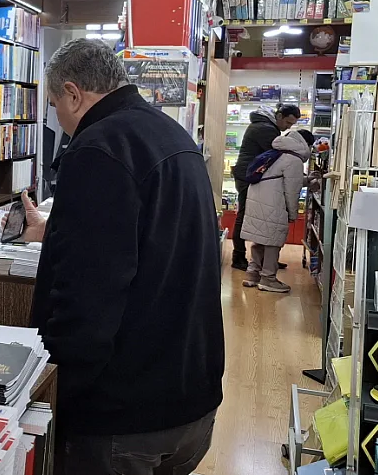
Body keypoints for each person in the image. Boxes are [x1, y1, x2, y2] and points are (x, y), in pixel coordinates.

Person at [19, 39, 224, 475]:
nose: (57, 117)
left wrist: (53, 392)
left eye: (55, 103)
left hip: (123, 416)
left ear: (73, 94)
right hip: (191, 396)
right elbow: (153, 242)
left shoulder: (97, 149)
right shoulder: (171, 133)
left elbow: (88, 298)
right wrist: (56, 234)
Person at [240, 129, 315, 293]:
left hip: (256, 199)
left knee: (260, 238)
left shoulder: (277, 153)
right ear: (306, 144)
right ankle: (268, 278)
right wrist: (293, 213)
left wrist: (307, 181)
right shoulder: (294, 160)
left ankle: (252, 274)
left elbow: (281, 178)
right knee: (273, 241)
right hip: (274, 202)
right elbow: (291, 190)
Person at [230, 103, 302, 270]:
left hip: (250, 175)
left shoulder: (264, 125)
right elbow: (279, 152)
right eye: (287, 123)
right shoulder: (266, 129)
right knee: (246, 216)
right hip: (248, 176)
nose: (287, 127)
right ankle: (239, 257)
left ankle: (263, 259)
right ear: (279, 117)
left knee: (259, 216)